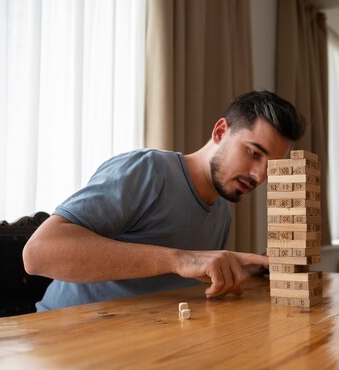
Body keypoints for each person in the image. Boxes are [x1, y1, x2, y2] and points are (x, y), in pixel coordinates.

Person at [23, 90, 305, 311]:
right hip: (65, 335)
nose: (259, 175)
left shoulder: (221, 213)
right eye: (254, 153)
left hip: (142, 342)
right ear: (220, 132)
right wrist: (180, 259)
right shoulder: (146, 170)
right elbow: (38, 254)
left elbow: (184, 278)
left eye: (270, 167)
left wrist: (257, 268)